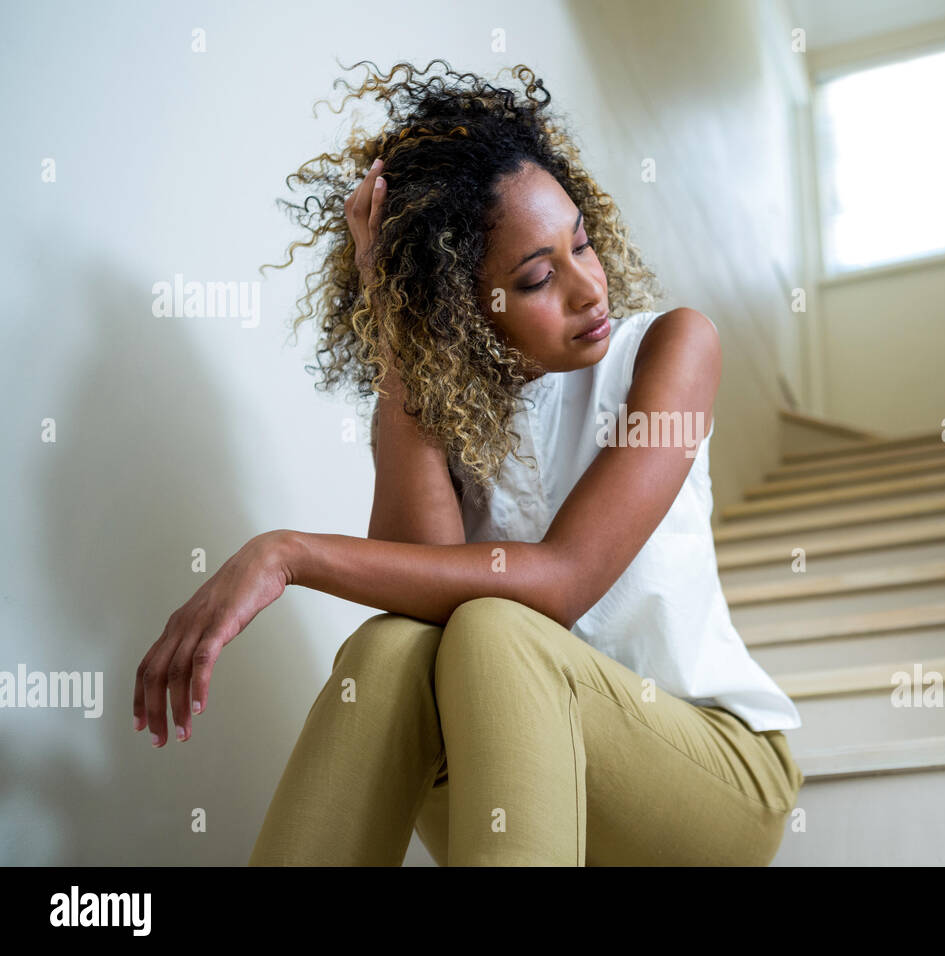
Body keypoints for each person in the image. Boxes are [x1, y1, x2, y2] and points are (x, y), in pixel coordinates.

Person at [131, 59, 804, 866]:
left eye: (581, 243)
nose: (591, 289)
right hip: (514, 780)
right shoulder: (449, 413)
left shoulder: (670, 349)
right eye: (537, 278)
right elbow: (420, 596)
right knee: (392, 649)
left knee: (495, 626)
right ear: (461, 305)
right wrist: (397, 329)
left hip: (708, 778)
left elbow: (559, 579)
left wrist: (288, 553)